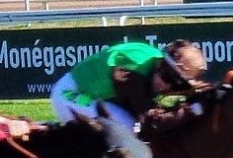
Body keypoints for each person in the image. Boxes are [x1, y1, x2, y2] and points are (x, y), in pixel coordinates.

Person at [47, 39, 209, 131]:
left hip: (101, 97)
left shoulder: (156, 68)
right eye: (167, 76)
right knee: (127, 126)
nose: (166, 86)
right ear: (160, 63)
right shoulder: (132, 72)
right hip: (68, 94)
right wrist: (195, 109)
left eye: (178, 84)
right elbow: (152, 120)